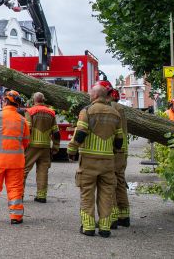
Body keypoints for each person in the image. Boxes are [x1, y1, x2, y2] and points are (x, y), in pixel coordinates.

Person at [67, 84, 123, 237]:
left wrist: (71, 150)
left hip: (89, 161)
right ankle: (105, 228)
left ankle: (88, 227)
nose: (89, 95)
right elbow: (119, 139)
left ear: (96, 95)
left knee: (87, 193)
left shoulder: (87, 111)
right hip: (107, 162)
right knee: (106, 194)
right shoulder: (115, 114)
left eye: (91, 93)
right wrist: (114, 152)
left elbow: (80, 133)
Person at [0, 90, 30, 224]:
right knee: (15, 188)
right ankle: (16, 217)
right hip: (16, 162)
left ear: (5, 101)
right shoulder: (23, 121)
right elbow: (26, 142)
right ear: (17, 105)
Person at [96, 80, 131, 229]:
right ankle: (124, 216)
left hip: (113, 149)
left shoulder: (110, 107)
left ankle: (112, 218)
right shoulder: (120, 107)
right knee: (120, 182)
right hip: (122, 149)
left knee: (110, 183)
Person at [23, 92, 57, 203]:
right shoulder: (51, 113)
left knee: (24, 170)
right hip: (46, 146)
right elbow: (56, 132)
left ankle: (19, 195)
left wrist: (22, 145)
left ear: (34, 100)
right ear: (44, 100)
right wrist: (56, 146)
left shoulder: (30, 111)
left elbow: (27, 129)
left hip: (32, 145)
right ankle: (41, 196)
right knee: (43, 170)